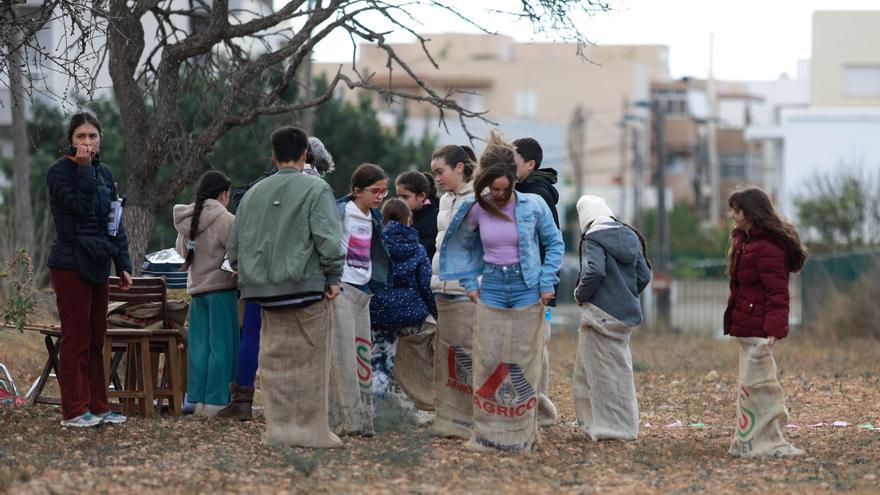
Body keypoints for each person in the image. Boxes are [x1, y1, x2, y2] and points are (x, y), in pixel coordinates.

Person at [440, 131, 564, 452]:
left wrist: (547, 281)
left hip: (527, 287)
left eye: (504, 189)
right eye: (492, 188)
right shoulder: (477, 208)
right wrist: (469, 283)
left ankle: (523, 431)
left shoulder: (534, 205)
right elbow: (461, 246)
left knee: (525, 357)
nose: (498, 194)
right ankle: (488, 432)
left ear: (513, 182)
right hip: (492, 286)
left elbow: (554, 243)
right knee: (488, 355)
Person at [228, 126, 344, 448]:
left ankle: (278, 427)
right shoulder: (316, 189)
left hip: (263, 292)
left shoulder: (253, 192)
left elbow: (234, 247)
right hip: (305, 287)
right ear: (305, 154)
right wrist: (333, 278)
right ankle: (310, 430)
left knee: (275, 362)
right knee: (311, 360)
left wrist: (247, 270)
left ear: (273, 155)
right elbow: (328, 240)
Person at [47, 111, 132, 427]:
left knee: (98, 338)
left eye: (92, 136)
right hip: (70, 263)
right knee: (76, 337)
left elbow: (114, 221)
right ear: (71, 140)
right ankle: (73, 410)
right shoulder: (59, 172)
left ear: (100, 140)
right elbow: (80, 207)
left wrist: (123, 264)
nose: (86, 142)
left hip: (99, 262)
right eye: (80, 136)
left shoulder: (106, 174)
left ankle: (99, 406)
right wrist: (83, 170)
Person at [724, 186, 808, 458]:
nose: (733, 215)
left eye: (737, 210)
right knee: (749, 388)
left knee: (760, 387)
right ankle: (748, 440)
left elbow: (778, 293)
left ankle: (766, 441)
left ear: (752, 212)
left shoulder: (768, 249)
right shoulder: (744, 241)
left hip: (760, 329)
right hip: (747, 326)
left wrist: (774, 328)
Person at [572, 195, 652, 442]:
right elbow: (644, 275)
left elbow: (594, 270)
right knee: (617, 368)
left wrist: (579, 294)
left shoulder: (593, 237)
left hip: (600, 314)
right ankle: (607, 422)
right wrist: (625, 295)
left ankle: (607, 426)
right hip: (625, 316)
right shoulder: (631, 236)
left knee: (600, 372)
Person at [330, 163, 392, 436]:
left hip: (364, 290)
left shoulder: (375, 217)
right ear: (357, 191)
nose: (380, 196)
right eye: (375, 191)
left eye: (385, 191)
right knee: (344, 355)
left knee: (361, 354)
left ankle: (364, 418)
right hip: (341, 287)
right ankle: (345, 420)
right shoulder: (342, 212)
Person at [173, 170, 238, 416]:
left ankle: (197, 401)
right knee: (221, 347)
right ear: (223, 194)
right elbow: (236, 253)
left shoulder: (188, 220)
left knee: (199, 347)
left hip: (197, 291)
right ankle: (216, 401)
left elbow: (182, 252)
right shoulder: (226, 219)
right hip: (221, 292)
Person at [428, 144, 478, 438]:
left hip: (465, 292)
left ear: (459, 168)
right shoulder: (446, 200)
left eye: (440, 171)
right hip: (441, 289)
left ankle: (470, 418)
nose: (436, 178)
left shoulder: (477, 200)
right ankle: (449, 418)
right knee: (445, 358)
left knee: (466, 357)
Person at [369, 198, 438, 408]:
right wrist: (436, 313)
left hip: (379, 312)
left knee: (380, 360)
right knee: (413, 358)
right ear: (409, 220)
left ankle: (373, 408)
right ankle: (415, 400)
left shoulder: (374, 243)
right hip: (411, 314)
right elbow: (426, 285)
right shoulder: (416, 248)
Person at [513, 137, 561, 425]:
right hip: (526, 286)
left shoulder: (537, 197)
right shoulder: (519, 191)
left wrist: (545, 285)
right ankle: (525, 402)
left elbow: (548, 244)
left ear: (530, 164)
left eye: (514, 161)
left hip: (537, 287)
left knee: (536, 345)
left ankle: (536, 406)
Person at [394, 171, 439, 259]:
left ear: (421, 196)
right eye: (399, 196)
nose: (400, 201)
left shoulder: (437, 217)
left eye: (405, 197)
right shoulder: (399, 219)